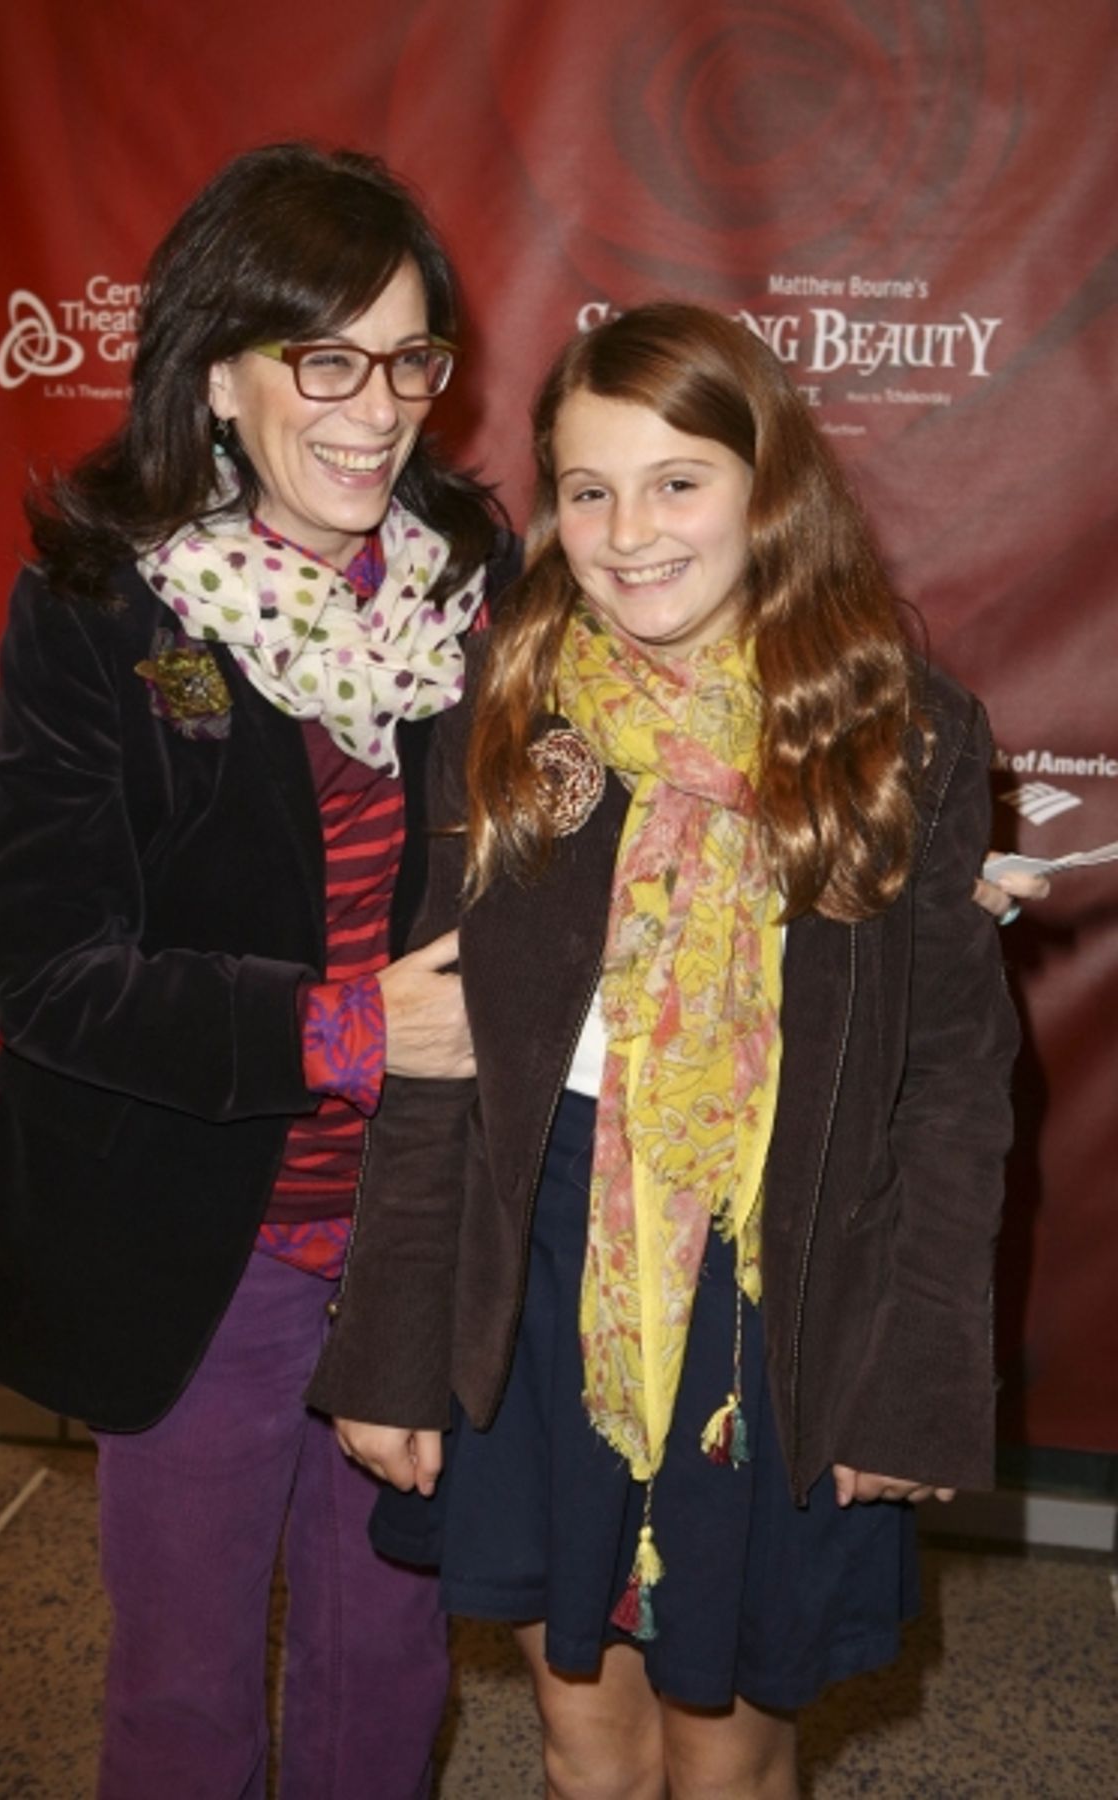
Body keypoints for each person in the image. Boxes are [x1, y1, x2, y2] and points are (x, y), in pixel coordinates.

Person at [310, 303, 1021, 1800]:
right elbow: (444, 1075)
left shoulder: (899, 736)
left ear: (768, 489)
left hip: (783, 1286)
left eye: (676, 481)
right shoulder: (509, 718)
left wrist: (915, 1387)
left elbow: (953, 1096)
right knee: (581, 1731)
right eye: (586, 489)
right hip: (553, 1270)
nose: (628, 533)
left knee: (729, 1739)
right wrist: (389, 1356)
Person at [0, 142, 514, 1800]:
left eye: (409, 359)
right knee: (188, 1692)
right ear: (216, 373)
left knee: (389, 1670)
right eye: (322, 359)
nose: (376, 407)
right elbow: (51, 971)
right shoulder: (101, 611)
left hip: (416, 1237)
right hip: (206, 1247)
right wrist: (349, 1030)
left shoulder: (476, 590)